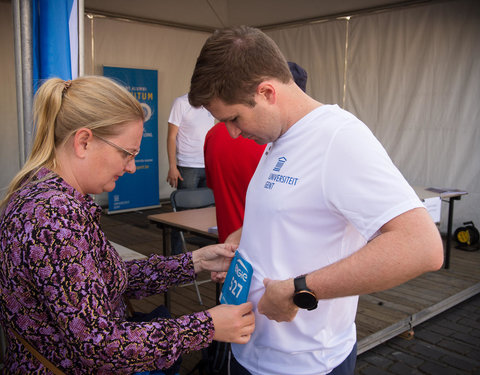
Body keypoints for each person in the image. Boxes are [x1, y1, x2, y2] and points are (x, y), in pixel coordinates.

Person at [189, 26, 444, 375]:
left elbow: (421, 246)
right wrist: (245, 241)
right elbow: (295, 215)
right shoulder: (279, 136)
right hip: (253, 351)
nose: (232, 132)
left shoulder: (338, 138)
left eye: (234, 118)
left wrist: (301, 290)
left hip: (304, 364)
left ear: (266, 92)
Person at [0, 76, 255, 374]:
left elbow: (107, 279)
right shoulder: (53, 217)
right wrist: (207, 326)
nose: (132, 166)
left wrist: (195, 261)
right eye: (127, 153)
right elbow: (101, 346)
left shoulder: (49, 198)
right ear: (83, 141)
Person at [203, 62, 307, 244]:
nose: (234, 131)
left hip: (230, 249)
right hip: (270, 255)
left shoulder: (213, 135)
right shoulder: (268, 141)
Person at [166, 93, 215, 254]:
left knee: (207, 213)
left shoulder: (211, 103)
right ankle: (176, 256)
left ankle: (204, 255)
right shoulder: (181, 102)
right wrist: (173, 166)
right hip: (187, 166)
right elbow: (171, 137)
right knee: (181, 216)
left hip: (207, 164)